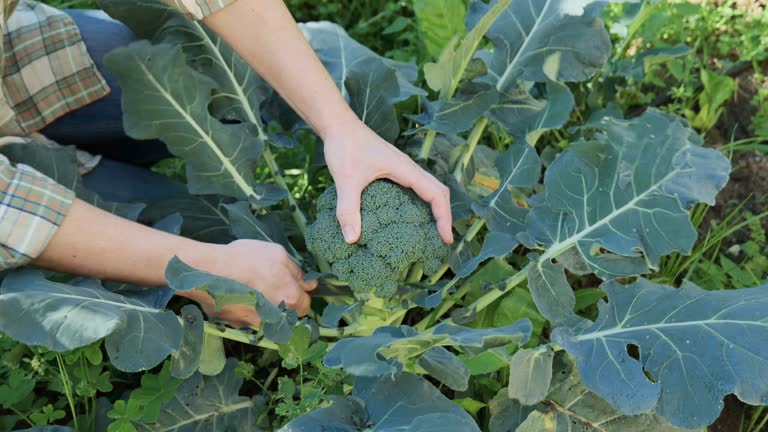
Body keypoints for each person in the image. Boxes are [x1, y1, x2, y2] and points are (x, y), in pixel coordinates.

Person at [0, 0, 453, 328]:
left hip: (14, 55)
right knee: (191, 239)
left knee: (200, 53)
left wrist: (343, 128)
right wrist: (204, 268)